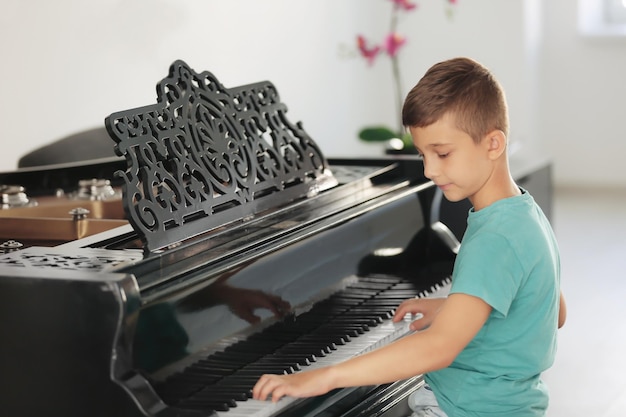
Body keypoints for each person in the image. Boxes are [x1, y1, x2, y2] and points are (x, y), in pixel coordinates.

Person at [252, 57, 567, 416]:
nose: (430, 170)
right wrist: (460, 308)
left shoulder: (494, 239)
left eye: (442, 153)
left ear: (494, 144)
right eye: (422, 154)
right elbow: (553, 310)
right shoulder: (525, 216)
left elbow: (438, 348)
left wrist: (326, 376)